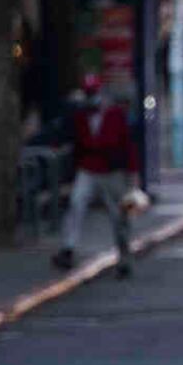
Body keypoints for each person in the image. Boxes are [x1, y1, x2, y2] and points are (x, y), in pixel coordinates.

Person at [51, 74, 139, 277]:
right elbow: (70, 136)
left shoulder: (115, 114)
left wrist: (133, 174)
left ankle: (124, 255)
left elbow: (127, 145)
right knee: (76, 203)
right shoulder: (81, 115)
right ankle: (68, 248)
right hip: (88, 168)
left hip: (111, 171)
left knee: (119, 216)